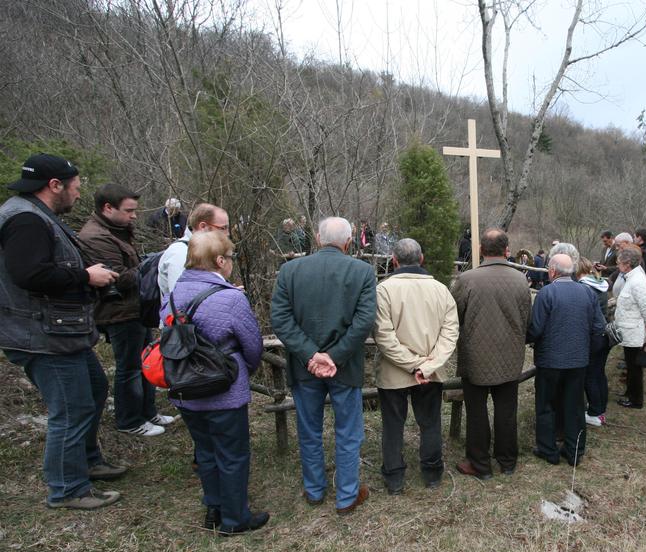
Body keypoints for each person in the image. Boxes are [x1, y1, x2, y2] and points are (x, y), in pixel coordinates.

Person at [0, 153, 124, 509]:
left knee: (95, 389)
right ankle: (67, 487)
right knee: (70, 409)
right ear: (54, 185)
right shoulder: (25, 220)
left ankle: (87, 460)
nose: (78, 193)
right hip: (42, 336)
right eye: (75, 186)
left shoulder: (35, 216)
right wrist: (86, 276)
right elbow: (29, 275)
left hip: (61, 332)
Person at [162, 231, 266, 534]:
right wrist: (245, 370)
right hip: (225, 389)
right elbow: (253, 345)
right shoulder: (231, 298)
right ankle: (235, 519)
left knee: (205, 451)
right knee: (232, 453)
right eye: (230, 257)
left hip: (186, 388)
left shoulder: (172, 296)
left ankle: (214, 508)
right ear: (220, 261)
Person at [271, 217, 376, 514]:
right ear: (349, 241)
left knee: (309, 429)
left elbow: (280, 319)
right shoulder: (363, 271)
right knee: (348, 431)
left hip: (306, 367)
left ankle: (315, 490)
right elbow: (364, 322)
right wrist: (332, 356)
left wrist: (311, 355)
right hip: (343, 367)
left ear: (317, 238)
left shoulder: (290, 270)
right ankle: (345, 496)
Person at [78, 183, 174, 437]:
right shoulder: (96, 237)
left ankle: (147, 411)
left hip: (135, 308)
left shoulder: (116, 230)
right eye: (129, 210)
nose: (134, 216)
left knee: (144, 361)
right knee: (129, 367)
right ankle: (130, 420)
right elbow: (117, 278)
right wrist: (153, 264)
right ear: (108, 208)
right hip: (119, 312)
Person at [373, 238, 459, 494]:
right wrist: (427, 365)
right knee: (430, 422)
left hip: (394, 373)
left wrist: (415, 366)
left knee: (393, 425)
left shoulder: (383, 290)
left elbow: (383, 336)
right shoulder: (441, 290)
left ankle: (394, 478)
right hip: (428, 373)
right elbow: (450, 334)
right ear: (421, 259)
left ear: (394, 260)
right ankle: (432, 474)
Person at [451, 228, 531, 479]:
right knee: (506, 411)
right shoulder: (521, 280)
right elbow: (526, 318)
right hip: (510, 357)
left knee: (477, 412)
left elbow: (455, 317)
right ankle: (507, 461)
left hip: (476, 357)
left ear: (481, 250)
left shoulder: (467, 280)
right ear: (506, 250)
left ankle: (480, 464)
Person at [529, 254, 606, 465]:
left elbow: (535, 328)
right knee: (574, 406)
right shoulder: (587, 293)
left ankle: (548, 449)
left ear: (552, 271)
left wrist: (529, 340)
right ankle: (574, 451)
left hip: (550, 361)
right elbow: (599, 327)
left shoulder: (547, 293)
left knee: (546, 405)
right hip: (578, 361)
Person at [613, 246, 646, 409]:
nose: (617, 265)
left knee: (634, 367)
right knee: (631, 366)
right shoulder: (632, 277)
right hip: (629, 331)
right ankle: (629, 393)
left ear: (626, 263)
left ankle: (635, 399)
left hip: (634, 332)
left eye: (618, 262)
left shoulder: (637, 281)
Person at [158, 203, 230, 301]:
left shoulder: (205, 250)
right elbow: (182, 301)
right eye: (223, 228)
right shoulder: (180, 254)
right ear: (203, 226)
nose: (227, 234)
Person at [576, 257, 611, 427]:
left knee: (590, 375)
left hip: (594, 336)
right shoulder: (599, 283)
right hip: (603, 333)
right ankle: (601, 407)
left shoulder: (584, 287)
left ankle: (596, 413)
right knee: (598, 373)